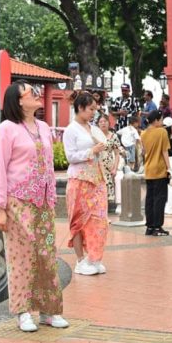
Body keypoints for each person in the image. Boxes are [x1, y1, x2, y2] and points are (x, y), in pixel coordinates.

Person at [0, 81, 68, 333]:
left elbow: (49, 164)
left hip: (43, 202)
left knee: (46, 256)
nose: (36, 94)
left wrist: (52, 196)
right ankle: (22, 311)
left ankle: (49, 310)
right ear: (18, 100)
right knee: (21, 257)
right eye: (30, 92)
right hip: (17, 202)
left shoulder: (45, 128)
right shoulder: (7, 129)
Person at [63, 91, 109, 276]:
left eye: (95, 110)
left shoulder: (92, 128)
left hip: (96, 179)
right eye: (90, 109)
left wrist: (98, 149)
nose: (93, 113)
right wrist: (91, 151)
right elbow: (70, 156)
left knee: (98, 219)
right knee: (78, 220)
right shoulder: (70, 130)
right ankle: (80, 260)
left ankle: (94, 256)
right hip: (79, 180)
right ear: (80, 108)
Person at [141, 110, 170, 236]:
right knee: (160, 199)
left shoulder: (143, 133)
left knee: (150, 199)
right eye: (161, 119)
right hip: (159, 170)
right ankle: (158, 227)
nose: (162, 122)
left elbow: (143, 151)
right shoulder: (162, 132)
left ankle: (150, 226)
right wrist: (169, 168)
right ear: (157, 120)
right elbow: (164, 152)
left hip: (148, 169)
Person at [97, 115, 123, 205]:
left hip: (108, 166)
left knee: (107, 188)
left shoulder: (113, 136)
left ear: (109, 123)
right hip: (97, 165)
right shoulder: (95, 136)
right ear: (98, 124)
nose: (103, 123)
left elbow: (117, 154)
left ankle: (105, 215)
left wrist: (115, 168)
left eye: (105, 121)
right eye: (101, 122)